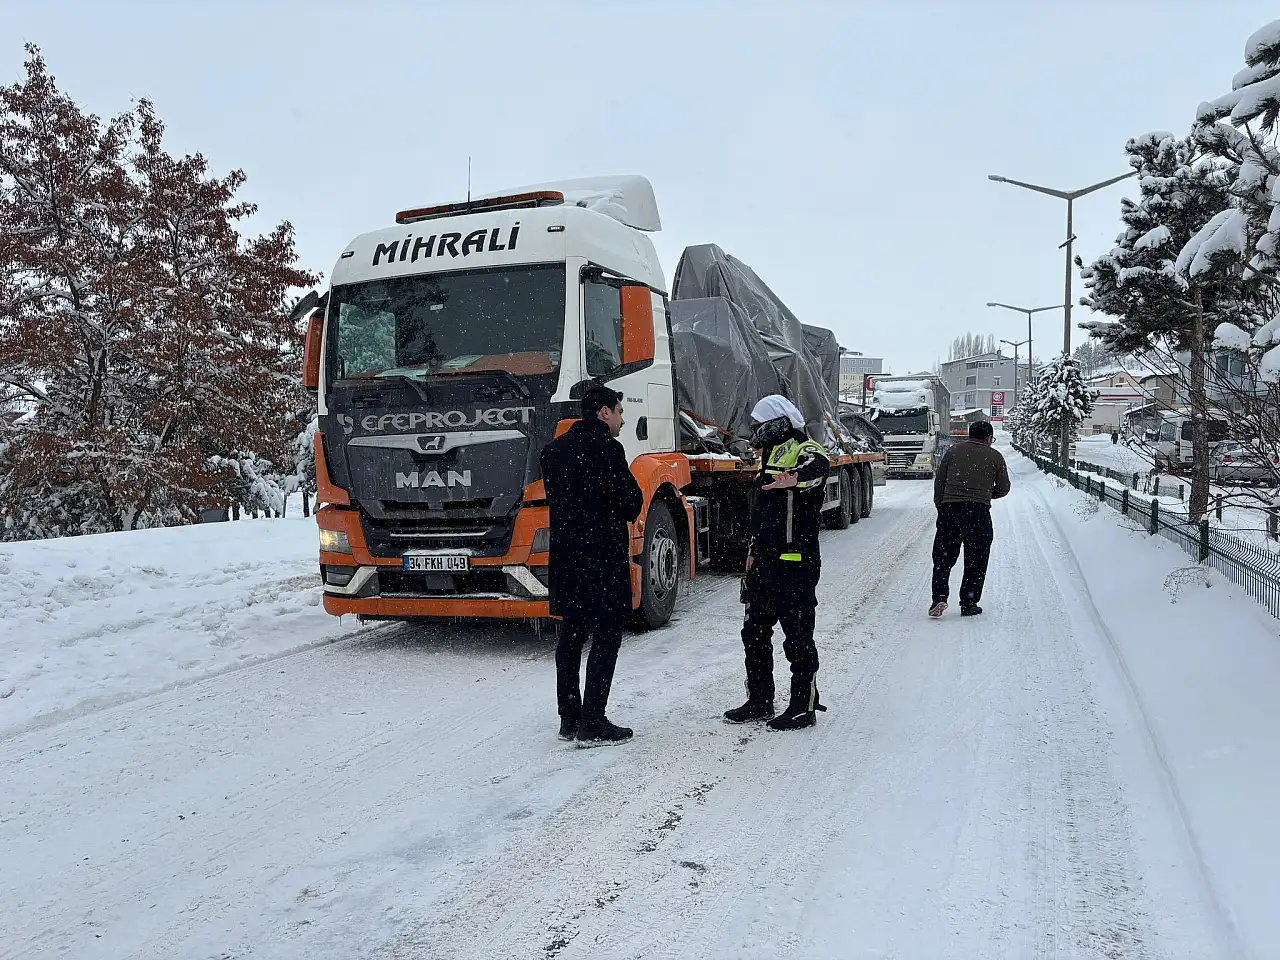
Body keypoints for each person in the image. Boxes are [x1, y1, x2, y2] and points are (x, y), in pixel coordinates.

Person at [540, 382, 644, 747]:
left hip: (566, 558)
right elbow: (631, 503)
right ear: (604, 412)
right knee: (607, 635)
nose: (622, 421)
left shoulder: (552, 451)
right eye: (619, 412)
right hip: (601, 559)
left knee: (571, 635)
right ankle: (593, 722)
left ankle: (569, 718)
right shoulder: (608, 449)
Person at [724, 395, 831, 731]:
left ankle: (803, 706)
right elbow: (763, 514)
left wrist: (795, 478)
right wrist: (752, 551)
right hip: (764, 562)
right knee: (754, 633)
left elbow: (820, 466)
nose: (755, 430)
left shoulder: (803, 448)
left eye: (760, 424)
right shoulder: (769, 455)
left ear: (778, 422)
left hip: (795, 562)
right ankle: (760, 700)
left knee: (797, 637)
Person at [929, 420, 1011, 618]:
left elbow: (940, 482)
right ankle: (969, 602)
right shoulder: (995, 456)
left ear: (969, 435)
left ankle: (939, 597)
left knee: (943, 558)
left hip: (951, 511)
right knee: (976, 559)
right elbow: (1004, 488)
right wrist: (984, 494)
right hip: (979, 513)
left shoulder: (953, 451)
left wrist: (942, 507)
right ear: (989, 438)